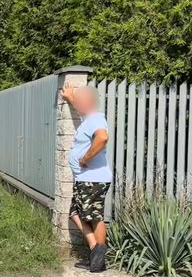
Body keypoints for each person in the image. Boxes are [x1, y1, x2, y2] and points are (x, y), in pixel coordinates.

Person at [61, 84, 112, 273]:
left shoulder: (96, 119)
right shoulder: (88, 117)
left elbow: (102, 138)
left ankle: (98, 259)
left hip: (93, 179)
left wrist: (85, 158)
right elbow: (81, 107)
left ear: (89, 102)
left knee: (93, 216)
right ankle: (94, 251)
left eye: (80, 101)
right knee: (75, 213)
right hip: (84, 180)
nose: (78, 105)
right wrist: (69, 97)